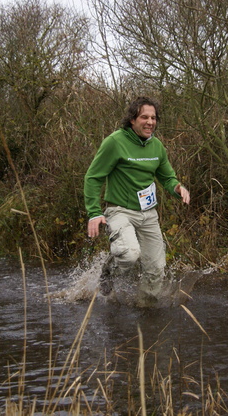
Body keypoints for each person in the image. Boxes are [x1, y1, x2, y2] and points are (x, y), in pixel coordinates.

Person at [83, 96, 190, 304]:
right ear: (132, 119)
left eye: (153, 117)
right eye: (144, 117)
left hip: (149, 214)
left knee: (156, 269)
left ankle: (145, 309)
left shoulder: (156, 146)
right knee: (129, 254)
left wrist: (178, 187)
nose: (150, 122)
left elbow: (167, 177)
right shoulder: (115, 142)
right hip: (120, 211)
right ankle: (108, 272)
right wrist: (94, 212)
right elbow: (93, 177)